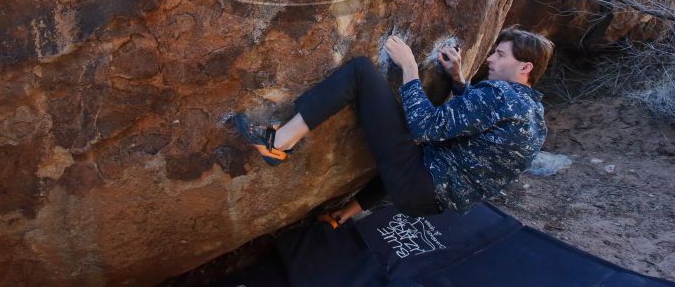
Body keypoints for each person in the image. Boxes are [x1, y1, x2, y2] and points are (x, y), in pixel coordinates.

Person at [233, 26, 554, 223]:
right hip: (428, 201)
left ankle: (278, 143)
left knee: (360, 72)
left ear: (524, 65)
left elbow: (426, 127)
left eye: (500, 54)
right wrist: (457, 80)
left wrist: (410, 67)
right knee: (426, 155)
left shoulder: (500, 94)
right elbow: (479, 129)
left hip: (416, 181)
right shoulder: (532, 114)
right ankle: (347, 213)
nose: (490, 59)